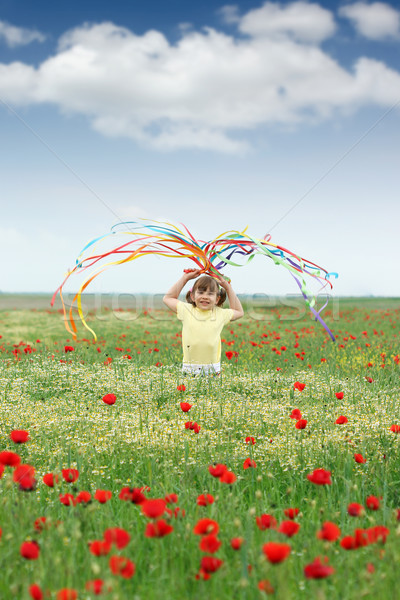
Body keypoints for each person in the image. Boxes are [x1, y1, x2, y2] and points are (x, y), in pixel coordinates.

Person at [163, 269, 244, 375]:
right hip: (189, 368)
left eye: (210, 294)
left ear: (217, 299)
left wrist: (228, 288)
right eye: (201, 292)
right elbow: (168, 298)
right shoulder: (186, 310)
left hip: (212, 370)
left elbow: (239, 311)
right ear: (192, 296)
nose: (205, 296)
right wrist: (185, 278)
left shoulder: (220, 313)